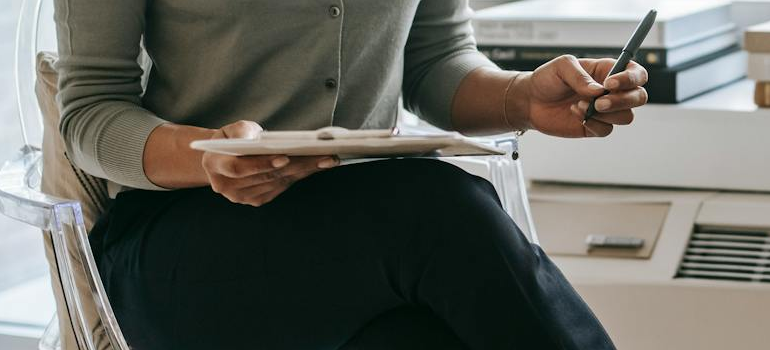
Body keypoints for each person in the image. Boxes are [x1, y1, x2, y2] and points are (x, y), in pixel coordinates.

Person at [53, 0, 647, 349]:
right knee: (440, 205)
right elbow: (89, 112)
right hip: (180, 244)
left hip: (370, 250)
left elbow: (435, 60)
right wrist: (204, 155)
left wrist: (523, 99)